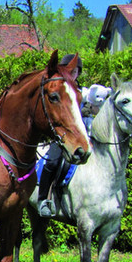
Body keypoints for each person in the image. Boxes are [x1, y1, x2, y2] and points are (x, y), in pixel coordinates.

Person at [35, 53, 84, 218]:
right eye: (72, 71)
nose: (74, 74)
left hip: (82, 136)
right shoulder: (61, 89)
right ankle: (43, 199)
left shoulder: (79, 90)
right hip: (64, 135)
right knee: (53, 161)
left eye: (76, 71)